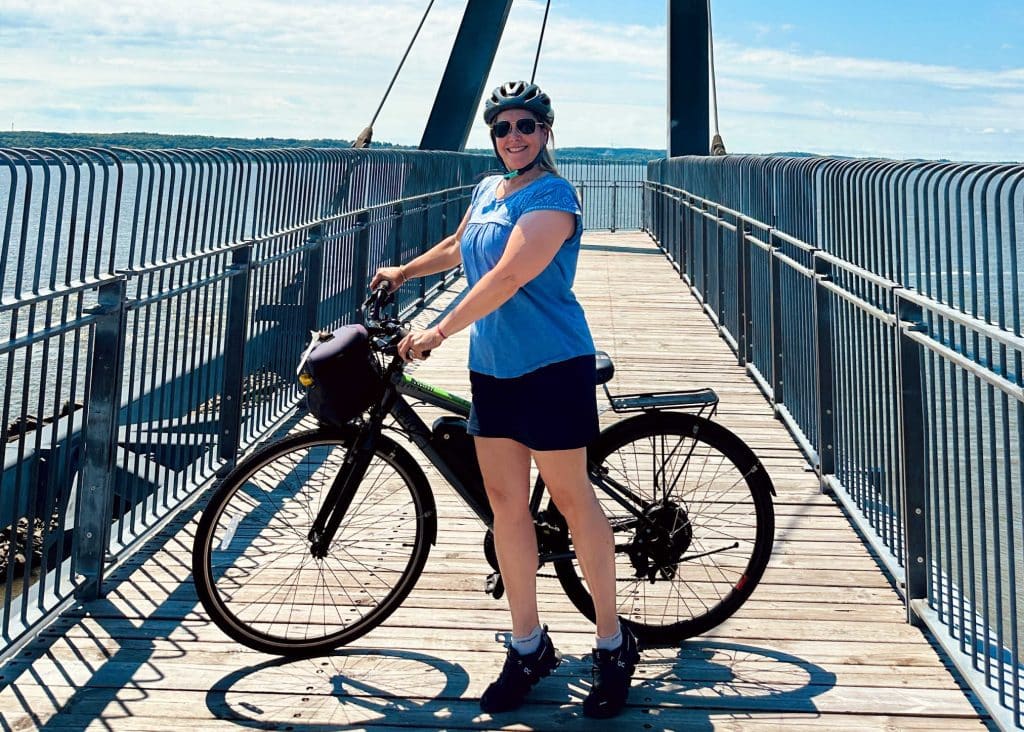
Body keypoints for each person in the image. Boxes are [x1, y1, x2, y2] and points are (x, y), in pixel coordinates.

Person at [370, 80, 639, 719]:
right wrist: (404, 271)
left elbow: (509, 274)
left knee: (573, 503)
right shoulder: (488, 190)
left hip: (551, 367)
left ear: (547, 132)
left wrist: (436, 329)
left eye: (526, 126)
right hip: (493, 370)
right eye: (502, 128)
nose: (513, 137)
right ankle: (528, 646)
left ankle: (611, 641)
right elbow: (461, 250)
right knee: (506, 510)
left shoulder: (554, 198)